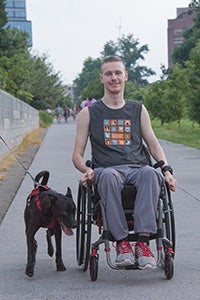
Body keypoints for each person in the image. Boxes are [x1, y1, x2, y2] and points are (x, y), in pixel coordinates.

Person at [72, 55, 176, 270]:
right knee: (108, 176)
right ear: (102, 78)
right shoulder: (89, 113)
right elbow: (77, 155)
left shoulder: (138, 109)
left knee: (151, 174)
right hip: (106, 170)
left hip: (138, 168)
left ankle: (143, 243)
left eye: (118, 73)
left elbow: (154, 145)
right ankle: (121, 243)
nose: (114, 78)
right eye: (109, 74)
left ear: (125, 76)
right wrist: (86, 170)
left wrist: (166, 170)